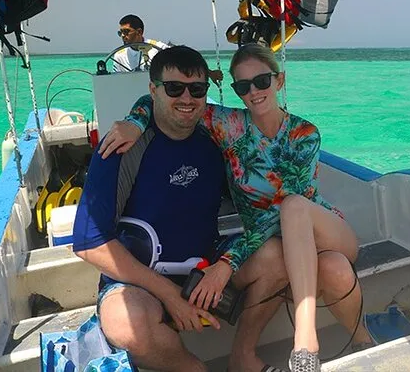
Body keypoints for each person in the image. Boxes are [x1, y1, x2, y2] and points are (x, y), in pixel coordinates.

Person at [99, 43, 375, 372]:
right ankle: (364, 341)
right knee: (335, 269)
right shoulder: (229, 126)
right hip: (282, 246)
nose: (254, 92)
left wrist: (229, 262)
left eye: (262, 81)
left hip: (322, 231)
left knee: (293, 207)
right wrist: (134, 122)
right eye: (243, 86)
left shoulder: (304, 134)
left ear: (279, 81)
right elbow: (165, 99)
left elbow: (280, 213)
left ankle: (305, 340)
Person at [72, 46, 228, 372]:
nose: (186, 98)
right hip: (141, 282)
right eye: (174, 88)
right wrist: (170, 295)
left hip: (205, 272)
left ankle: (244, 357)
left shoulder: (216, 140)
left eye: (197, 89)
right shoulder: (121, 147)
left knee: (276, 260)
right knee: (125, 323)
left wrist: (224, 267)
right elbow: (90, 244)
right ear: (153, 90)